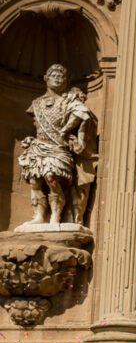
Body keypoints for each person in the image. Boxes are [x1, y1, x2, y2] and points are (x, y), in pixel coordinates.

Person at [17, 63, 96, 226]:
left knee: (51, 177)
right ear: (46, 79)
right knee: (35, 181)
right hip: (39, 147)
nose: (58, 79)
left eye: (61, 76)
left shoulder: (69, 101)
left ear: (66, 81)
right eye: (54, 75)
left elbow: (83, 115)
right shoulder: (36, 103)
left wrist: (71, 133)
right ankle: (39, 215)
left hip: (59, 147)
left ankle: (56, 214)